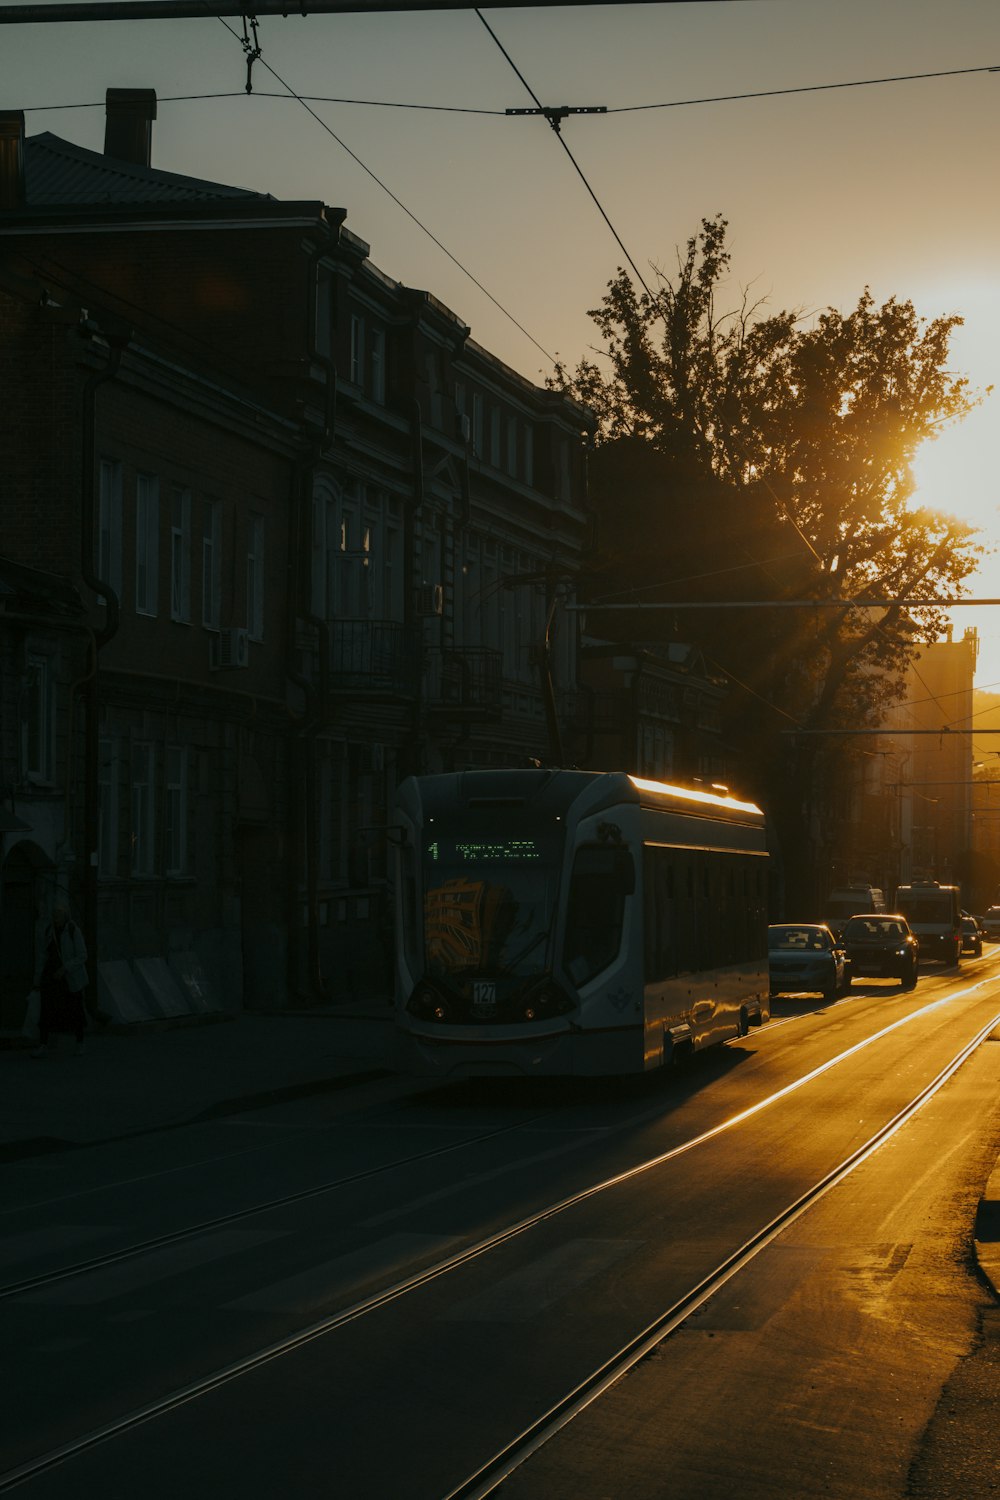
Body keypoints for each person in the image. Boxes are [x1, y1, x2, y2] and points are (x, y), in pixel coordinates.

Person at [30, 899, 89, 1057]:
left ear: (65, 916)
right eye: (54, 915)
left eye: (59, 915)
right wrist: (37, 978)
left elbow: (82, 955)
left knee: (75, 1009)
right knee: (46, 1010)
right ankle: (43, 1044)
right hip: (51, 976)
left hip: (69, 978)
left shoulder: (72, 930)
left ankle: (80, 1042)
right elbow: (43, 955)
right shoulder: (49, 930)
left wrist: (65, 968)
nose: (56, 918)